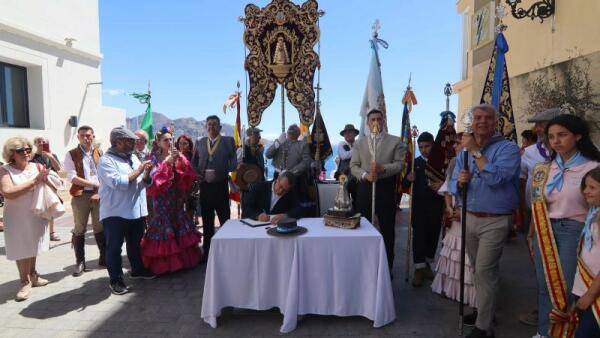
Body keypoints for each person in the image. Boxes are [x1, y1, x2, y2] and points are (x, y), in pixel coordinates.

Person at [449, 104, 521, 338]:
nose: (482, 121)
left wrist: (477, 154)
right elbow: (453, 185)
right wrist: (460, 182)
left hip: (495, 220)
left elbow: (498, 179)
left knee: (484, 270)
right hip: (470, 217)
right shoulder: (463, 153)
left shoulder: (508, 149)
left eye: (487, 118)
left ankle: (483, 328)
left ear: (495, 122)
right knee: (477, 269)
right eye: (477, 117)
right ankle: (485, 310)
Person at [527, 114, 600, 338]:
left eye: (562, 135)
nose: (556, 141)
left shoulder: (592, 166)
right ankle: (543, 332)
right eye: (551, 137)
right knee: (543, 284)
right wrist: (531, 233)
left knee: (565, 287)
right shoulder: (544, 168)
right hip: (544, 229)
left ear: (577, 136)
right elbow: (537, 202)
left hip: (575, 229)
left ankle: (564, 332)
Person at [97, 127, 156, 295]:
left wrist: (146, 175)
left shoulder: (134, 158)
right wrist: (139, 171)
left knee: (136, 244)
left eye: (134, 141)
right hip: (115, 212)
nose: (134, 143)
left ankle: (137, 270)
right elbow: (118, 183)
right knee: (114, 247)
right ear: (117, 142)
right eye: (130, 141)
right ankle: (115, 280)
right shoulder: (106, 160)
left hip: (135, 210)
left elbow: (142, 184)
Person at [518, 107, 561, 327]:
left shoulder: (573, 151)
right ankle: (544, 309)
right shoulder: (530, 152)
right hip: (534, 216)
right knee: (539, 266)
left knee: (563, 267)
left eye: (541, 124)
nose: (537, 129)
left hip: (564, 218)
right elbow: (522, 180)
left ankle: (563, 313)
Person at [350, 109, 405, 272]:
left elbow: (400, 164)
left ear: (384, 121)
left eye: (379, 119)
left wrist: (383, 168)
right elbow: (354, 166)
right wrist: (366, 175)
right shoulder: (360, 143)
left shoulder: (395, 141)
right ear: (367, 123)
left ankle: (387, 267)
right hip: (365, 187)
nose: (376, 122)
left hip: (385, 188)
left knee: (387, 229)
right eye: (372, 119)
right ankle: (363, 265)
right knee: (363, 226)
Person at [141, 129, 202, 274]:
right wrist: (167, 163)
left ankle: (183, 260)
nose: (169, 142)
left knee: (178, 219)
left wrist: (180, 160)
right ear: (159, 142)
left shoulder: (177, 155)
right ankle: (165, 262)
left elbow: (188, 174)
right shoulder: (153, 157)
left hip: (175, 195)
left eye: (170, 139)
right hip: (161, 196)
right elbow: (153, 177)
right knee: (163, 222)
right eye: (165, 140)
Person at [0, 137, 50, 301]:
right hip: (16, 216)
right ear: (11, 153)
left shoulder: (37, 166)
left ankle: (33, 275)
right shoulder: (5, 170)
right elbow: (8, 192)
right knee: (21, 247)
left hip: (36, 213)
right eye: (21, 150)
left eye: (28, 149)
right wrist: (35, 181)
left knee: (33, 244)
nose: (26, 152)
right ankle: (24, 281)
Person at [431, 132, 477, 307]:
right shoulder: (453, 162)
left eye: (459, 143)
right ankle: (451, 289)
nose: (455, 146)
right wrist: (450, 208)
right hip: (455, 213)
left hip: (471, 212)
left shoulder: (477, 160)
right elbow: (448, 188)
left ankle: (470, 295)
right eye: (456, 143)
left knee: (467, 255)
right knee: (452, 252)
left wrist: (463, 211)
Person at [191, 115, 237, 258]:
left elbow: (234, 161)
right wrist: (198, 174)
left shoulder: (228, 141)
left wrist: (223, 171)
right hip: (205, 186)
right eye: (209, 124)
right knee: (207, 221)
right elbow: (194, 161)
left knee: (225, 220)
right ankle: (208, 252)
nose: (211, 126)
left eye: (215, 124)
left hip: (221, 185)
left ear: (220, 127)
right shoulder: (199, 142)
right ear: (206, 127)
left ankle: (227, 251)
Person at [403, 131, 445, 287]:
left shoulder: (441, 162)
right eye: (421, 147)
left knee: (433, 236)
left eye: (427, 146)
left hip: (437, 205)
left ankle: (427, 266)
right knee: (419, 237)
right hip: (419, 206)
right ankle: (418, 269)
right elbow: (404, 185)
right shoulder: (415, 163)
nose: (424, 150)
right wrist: (408, 178)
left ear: (433, 145)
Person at [63, 125, 105, 276]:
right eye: (83, 136)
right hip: (81, 195)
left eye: (89, 135)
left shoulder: (99, 152)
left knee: (99, 226)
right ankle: (80, 262)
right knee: (80, 228)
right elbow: (72, 177)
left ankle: (104, 256)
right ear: (78, 138)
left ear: (93, 137)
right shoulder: (71, 154)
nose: (86, 138)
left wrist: (99, 190)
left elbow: (104, 174)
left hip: (98, 194)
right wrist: (93, 184)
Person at [573, 168, 600, 337]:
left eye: (592, 188)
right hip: (583, 284)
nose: (585, 191)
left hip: (594, 291)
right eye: (585, 186)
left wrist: (590, 294)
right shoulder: (593, 212)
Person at [31, 136, 62, 241]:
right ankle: (40, 233)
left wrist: (51, 157)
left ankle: (52, 233)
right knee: (39, 209)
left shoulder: (52, 156)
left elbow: (58, 168)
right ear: (35, 144)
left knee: (50, 207)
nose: (41, 143)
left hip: (50, 185)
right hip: (38, 185)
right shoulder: (32, 157)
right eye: (38, 141)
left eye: (43, 141)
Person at [335, 124, 359, 209]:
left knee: (358, 201)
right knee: (343, 200)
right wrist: (357, 150)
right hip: (344, 176)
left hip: (356, 177)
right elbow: (344, 156)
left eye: (350, 132)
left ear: (355, 134)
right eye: (346, 132)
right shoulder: (342, 144)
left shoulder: (358, 144)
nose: (348, 134)